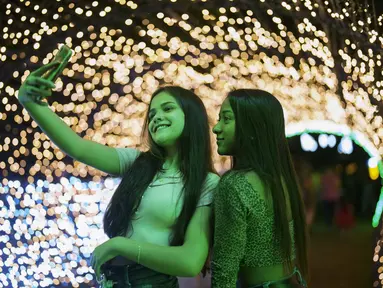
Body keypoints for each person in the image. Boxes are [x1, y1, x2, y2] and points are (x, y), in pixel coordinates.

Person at [18, 62, 219, 287]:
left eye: (168, 109)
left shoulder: (206, 183)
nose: (156, 118)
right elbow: (78, 148)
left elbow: (191, 262)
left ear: (191, 117)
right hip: (112, 281)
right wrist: (32, 103)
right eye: (152, 114)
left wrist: (120, 245)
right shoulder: (137, 163)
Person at [211, 89, 309, 287]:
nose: (216, 128)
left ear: (252, 128)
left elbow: (224, 273)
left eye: (226, 119)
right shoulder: (282, 180)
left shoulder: (234, 184)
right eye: (219, 119)